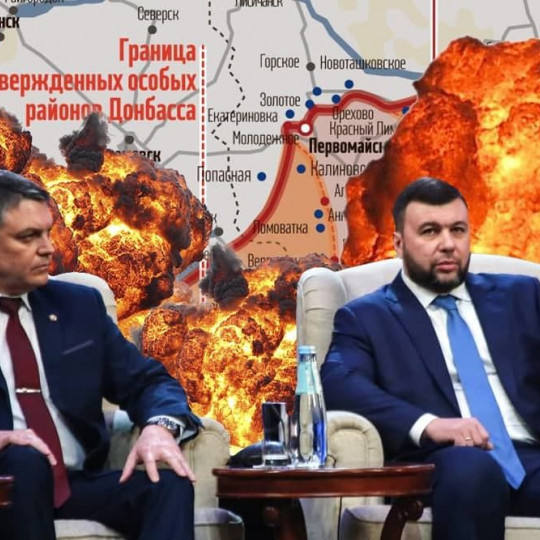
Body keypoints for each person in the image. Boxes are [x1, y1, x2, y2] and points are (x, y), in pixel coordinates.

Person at [321, 176, 540, 540]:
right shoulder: (367, 317)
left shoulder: (524, 296)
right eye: (430, 231)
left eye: (458, 230)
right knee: (474, 472)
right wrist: (430, 425)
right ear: (398, 244)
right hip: (444, 460)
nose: (448, 244)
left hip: (531, 457)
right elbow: (337, 385)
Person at [0, 169, 201, 540]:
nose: (48, 248)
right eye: (29, 237)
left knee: (168, 482)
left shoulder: (77, 306)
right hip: (6, 485)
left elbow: (148, 382)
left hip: (72, 483)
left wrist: (160, 428)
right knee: (24, 462)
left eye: (47, 233)